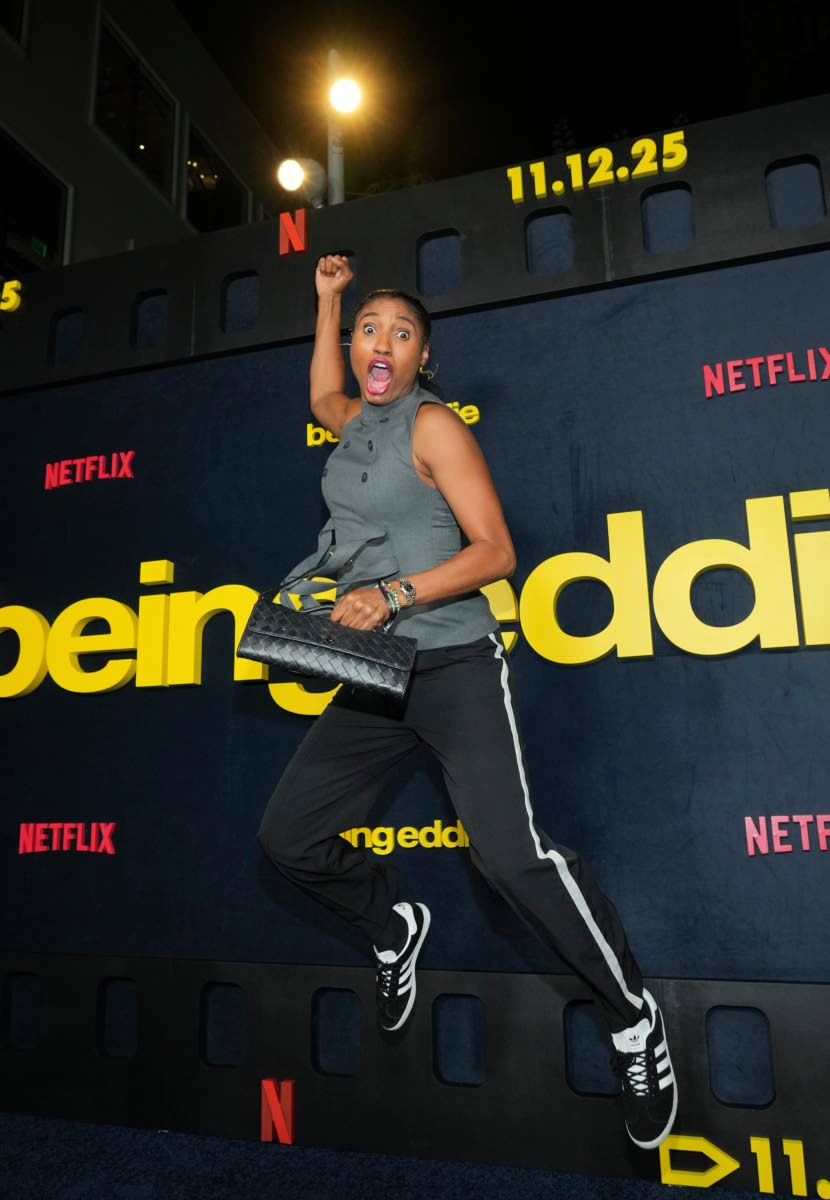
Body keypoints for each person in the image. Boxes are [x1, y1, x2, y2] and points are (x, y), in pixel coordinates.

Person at [257, 254, 678, 1151]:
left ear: (421, 359)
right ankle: (393, 920)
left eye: (400, 334)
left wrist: (399, 594)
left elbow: (495, 552)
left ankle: (636, 1020)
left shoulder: (433, 426)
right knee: (287, 838)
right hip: (374, 675)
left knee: (511, 857)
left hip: (451, 667)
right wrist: (328, 300)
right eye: (370, 328)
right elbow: (322, 396)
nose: (382, 343)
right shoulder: (352, 421)